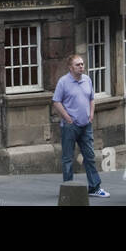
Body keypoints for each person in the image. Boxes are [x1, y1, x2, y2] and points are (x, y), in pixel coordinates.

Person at [52, 54, 108, 198]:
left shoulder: (87, 80)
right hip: (70, 126)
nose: (81, 66)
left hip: (85, 125)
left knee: (89, 156)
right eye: (78, 65)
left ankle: (95, 187)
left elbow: (91, 98)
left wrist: (91, 114)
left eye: (82, 64)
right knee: (67, 158)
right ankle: (68, 188)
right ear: (70, 68)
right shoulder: (63, 82)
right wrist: (67, 118)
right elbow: (56, 102)